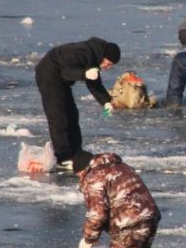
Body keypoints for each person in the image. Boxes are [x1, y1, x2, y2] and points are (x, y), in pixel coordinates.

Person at [34, 38, 121, 169]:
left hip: (62, 81)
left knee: (72, 115)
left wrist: (106, 101)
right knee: (59, 117)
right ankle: (63, 157)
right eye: (108, 64)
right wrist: (84, 73)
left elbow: (94, 82)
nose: (108, 68)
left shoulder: (94, 58)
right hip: (49, 75)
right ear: (103, 56)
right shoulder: (81, 52)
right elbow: (65, 71)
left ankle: (76, 154)